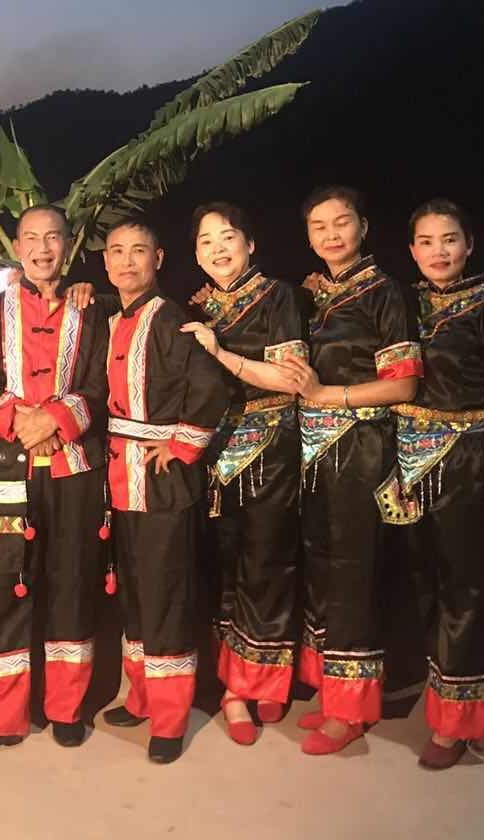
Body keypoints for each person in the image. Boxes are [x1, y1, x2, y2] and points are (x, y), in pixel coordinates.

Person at [0, 205, 111, 764]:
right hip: (7, 466)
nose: (43, 249)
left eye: (53, 238)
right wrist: (21, 422)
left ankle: (66, 709)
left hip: (75, 469)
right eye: (32, 239)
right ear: (17, 247)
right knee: (1, 586)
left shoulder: (94, 309)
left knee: (71, 581)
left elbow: (101, 384)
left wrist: (56, 420)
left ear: (68, 245)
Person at [399, 199, 484, 769]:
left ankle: (457, 724)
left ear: (470, 246)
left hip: (470, 462)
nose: (439, 252)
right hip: (409, 464)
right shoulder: (403, 304)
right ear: (412, 250)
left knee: (468, 591)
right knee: (427, 587)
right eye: (427, 242)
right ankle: (473, 709)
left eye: (450, 239)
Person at [292, 187, 421, 756]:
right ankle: (333, 691)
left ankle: (351, 710)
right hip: (318, 454)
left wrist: (329, 395)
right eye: (319, 226)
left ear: (363, 227)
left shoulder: (385, 292)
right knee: (323, 571)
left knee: (354, 574)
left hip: (363, 447)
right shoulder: (316, 295)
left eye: (341, 222)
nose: (331, 235)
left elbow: (403, 383)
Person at [98, 218, 231, 764]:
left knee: (166, 595)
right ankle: (142, 697)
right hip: (119, 479)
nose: (127, 261)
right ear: (106, 262)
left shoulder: (174, 318)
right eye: (117, 251)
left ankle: (171, 718)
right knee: (134, 592)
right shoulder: (111, 320)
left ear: (158, 260)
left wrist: (180, 445)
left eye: (139, 251)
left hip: (161, 482)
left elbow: (211, 385)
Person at [181, 203, 308, 745]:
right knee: (222, 566)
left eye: (228, 236)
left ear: (250, 244)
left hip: (272, 444)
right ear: (195, 253)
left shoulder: (279, 296)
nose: (218, 249)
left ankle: (265, 679)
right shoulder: (197, 305)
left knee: (267, 561)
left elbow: (290, 379)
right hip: (213, 449)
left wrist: (222, 354)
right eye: (206, 241)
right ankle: (233, 688)